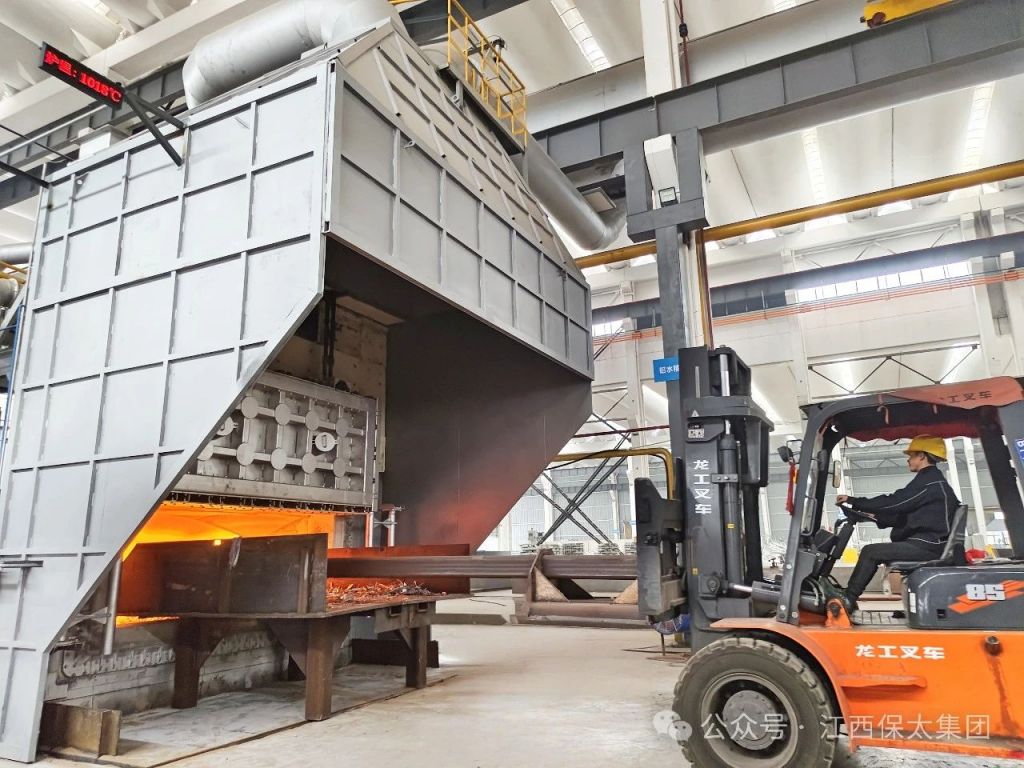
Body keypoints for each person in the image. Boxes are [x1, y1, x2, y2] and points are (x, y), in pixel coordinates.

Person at [835, 435, 959, 610]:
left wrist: (854, 500)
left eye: (912, 455)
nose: (908, 460)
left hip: (928, 546)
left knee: (870, 552)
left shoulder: (929, 482)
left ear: (922, 456)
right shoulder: (931, 480)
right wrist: (875, 516)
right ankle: (849, 597)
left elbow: (895, 502)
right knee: (872, 551)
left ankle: (848, 599)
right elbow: (904, 514)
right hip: (929, 543)